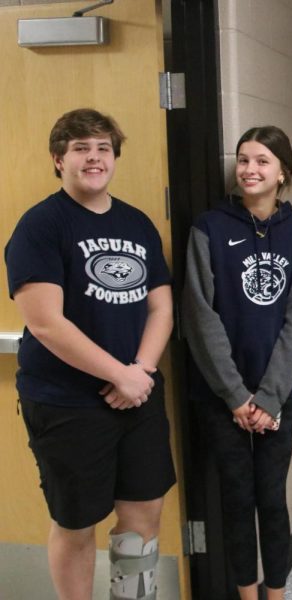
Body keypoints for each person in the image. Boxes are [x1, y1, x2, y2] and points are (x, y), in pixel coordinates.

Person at [5, 108, 175, 600]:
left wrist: (139, 372)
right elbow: (45, 322)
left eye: (103, 148)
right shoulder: (40, 225)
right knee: (77, 523)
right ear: (59, 160)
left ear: (115, 158)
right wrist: (118, 376)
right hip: (66, 403)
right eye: (80, 148)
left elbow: (160, 306)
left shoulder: (137, 223)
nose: (93, 158)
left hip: (137, 396)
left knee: (143, 513)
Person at [182, 125, 292, 600]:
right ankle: (246, 594)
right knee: (237, 500)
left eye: (262, 160)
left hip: (279, 394)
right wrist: (237, 396)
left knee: (272, 500)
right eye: (243, 160)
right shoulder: (209, 227)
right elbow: (201, 316)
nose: (249, 169)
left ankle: (277, 593)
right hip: (222, 396)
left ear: (283, 172)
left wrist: (268, 396)